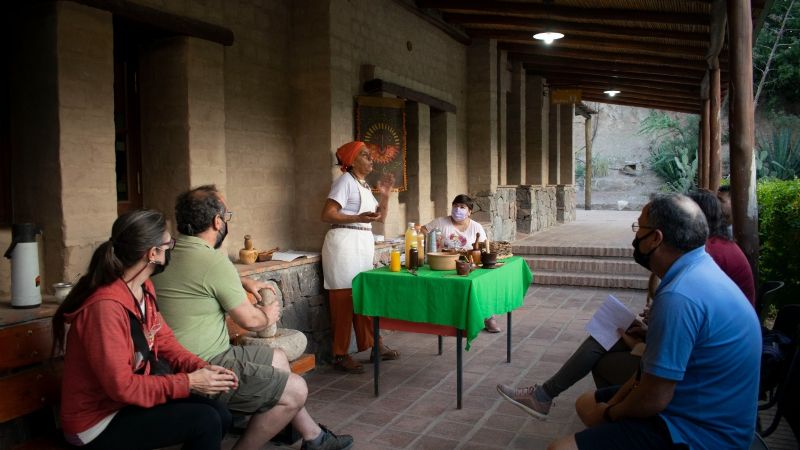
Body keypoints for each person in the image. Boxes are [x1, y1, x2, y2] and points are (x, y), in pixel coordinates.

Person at [497, 191, 758, 421]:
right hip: (707, 390)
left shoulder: (680, 294)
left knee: (583, 414)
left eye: (638, 228)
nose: (635, 236)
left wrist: (609, 414)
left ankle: (601, 420)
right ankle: (545, 396)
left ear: (656, 238)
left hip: (703, 418)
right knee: (605, 349)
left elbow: (655, 393)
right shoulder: (697, 265)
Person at [154, 186, 353, 450]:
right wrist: (268, 314)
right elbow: (252, 322)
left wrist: (241, 279)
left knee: (279, 358)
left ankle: (313, 437)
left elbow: (195, 280)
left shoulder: (168, 252)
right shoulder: (213, 261)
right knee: (297, 390)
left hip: (170, 361)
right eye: (227, 216)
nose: (226, 222)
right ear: (217, 222)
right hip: (204, 366)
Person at [53, 210, 235, 449]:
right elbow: (122, 387)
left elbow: (165, 341)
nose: (171, 249)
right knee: (206, 421)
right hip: (94, 423)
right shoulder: (105, 308)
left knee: (221, 414)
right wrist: (189, 382)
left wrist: (202, 369)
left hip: (124, 403)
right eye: (169, 245)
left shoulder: (143, 287)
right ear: (153, 254)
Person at [320, 141, 399, 374]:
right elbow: (327, 214)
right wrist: (357, 218)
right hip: (344, 244)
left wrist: (385, 195)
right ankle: (340, 354)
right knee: (344, 299)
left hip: (360, 243)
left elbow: (379, 217)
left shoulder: (363, 185)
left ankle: (375, 344)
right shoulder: (345, 181)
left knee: (364, 295)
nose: (371, 158)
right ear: (351, 161)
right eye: (365, 155)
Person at [420, 194, 501, 333]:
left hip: (470, 265)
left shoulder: (476, 227)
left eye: (462, 207)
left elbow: (483, 247)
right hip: (445, 264)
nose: (458, 209)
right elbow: (423, 230)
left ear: (469, 211)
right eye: (455, 206)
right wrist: (432, 240)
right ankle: (444, 320)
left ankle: (489, 317)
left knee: (481, 284)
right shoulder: (441, 222)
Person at [688, 190, 756, 307]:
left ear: (698, 217)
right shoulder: (718, 243)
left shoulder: (710, 251)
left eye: (684, 214)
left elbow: (688, 293)